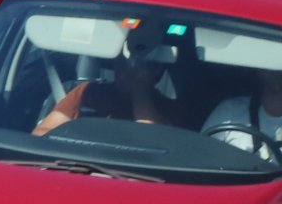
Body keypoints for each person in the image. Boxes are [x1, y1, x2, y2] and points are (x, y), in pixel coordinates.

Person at [32, 33, 178, 136]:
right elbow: (40, 133)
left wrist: (140, 90)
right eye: (125, 61)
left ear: (156, 71)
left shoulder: (167, 109)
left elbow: (150, 140)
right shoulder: (87, 93)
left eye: (142, 65)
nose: (130, 68)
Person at [202, 61, 282, 169]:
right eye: (267, 60)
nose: (273, 69)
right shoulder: (229, 111)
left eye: (280, 60)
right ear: (258, 68)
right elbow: (200, 158)